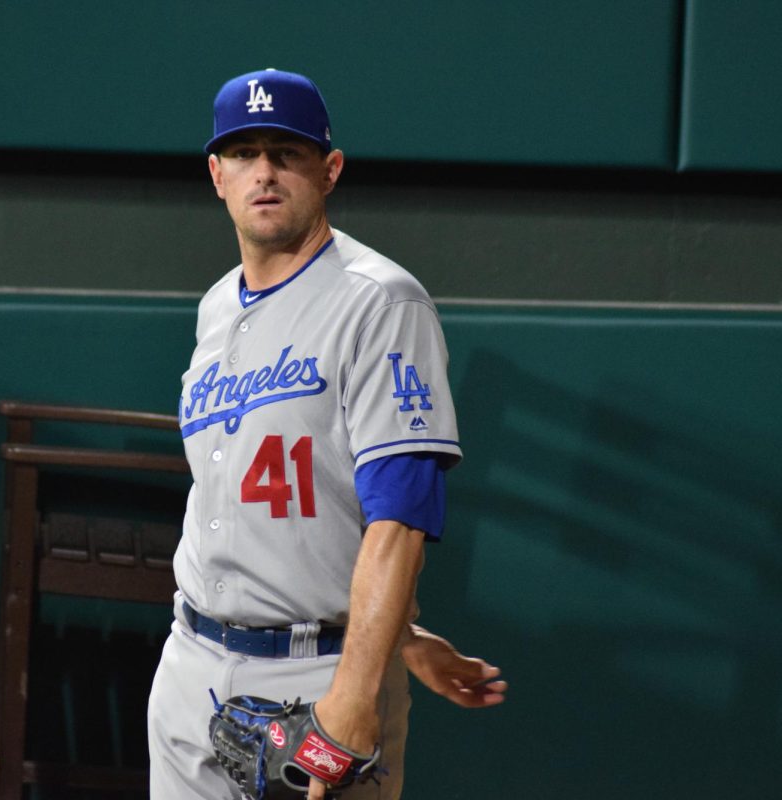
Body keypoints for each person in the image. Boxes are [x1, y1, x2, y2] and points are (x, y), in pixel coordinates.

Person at [148, 68, 507, 800]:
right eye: (244, 153)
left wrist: (355, 692)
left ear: (329, 170)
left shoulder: (380, 302)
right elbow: (298, 506)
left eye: (288, 151)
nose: (266, 171)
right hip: (190, 664)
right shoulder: (217, 307)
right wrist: (404, 636)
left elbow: (400, 517)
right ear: (216, 175)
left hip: (314, 680)